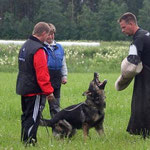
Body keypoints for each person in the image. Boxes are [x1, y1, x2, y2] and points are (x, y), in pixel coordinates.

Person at [16, 22, 54, 146]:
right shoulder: (38, 49)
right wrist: (49, 91)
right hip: (34, 90)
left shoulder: (25, 45)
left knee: (26, 116)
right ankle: (30, 142)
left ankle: (24, 139)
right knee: (33, 117)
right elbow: (42, 74)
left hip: (23, 87)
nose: (48, 37)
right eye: (48, 34)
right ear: (43, 33)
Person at [118, 12, 150, 138]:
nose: (122, 30)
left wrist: (122, 80)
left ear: (131, 24)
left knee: (142, 104)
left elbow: (132, 61)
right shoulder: (146, 33)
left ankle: (145, 133)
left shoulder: (138, 39)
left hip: (146, 76)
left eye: (124, 27)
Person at [43, 23, 68, 118]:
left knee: (55, 104)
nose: (51, 36)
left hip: (57, 77)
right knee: (41, 104)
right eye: (49, 34)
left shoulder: (59, 47)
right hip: (45, 77)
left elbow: (63, 63)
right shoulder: (41, 47)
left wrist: (64, 76)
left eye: (52, 34)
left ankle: (57, 126)